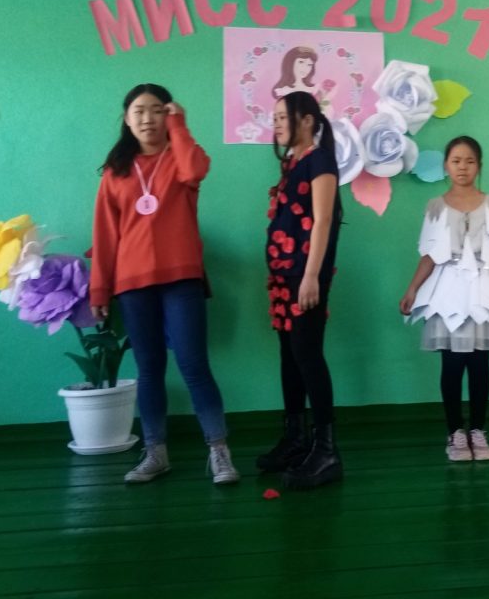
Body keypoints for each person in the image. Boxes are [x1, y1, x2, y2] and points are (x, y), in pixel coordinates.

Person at [90, 83, 240, 485]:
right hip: (132, 284)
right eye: (138, 111)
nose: (147, 118)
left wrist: (180, 125)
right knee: (149, 369)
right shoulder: (115, 171)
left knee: (194, 366)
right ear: (126, 119)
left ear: (168, 114)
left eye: (157, 110)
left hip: (181, 279)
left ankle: (219, 452)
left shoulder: (181, 157)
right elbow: (106, 235)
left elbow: (196, 170)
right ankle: (155, 452)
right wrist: (99, 289)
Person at [400, 136, 489, 462]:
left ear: (479, 166)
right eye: (456, 161)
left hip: (483, 292)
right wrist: (412, 289)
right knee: (452, 364)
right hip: (448, 292)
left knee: (480, 364)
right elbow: (429, 255)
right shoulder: (436, 206)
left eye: (470, 161)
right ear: (446, 165)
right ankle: (455, 432)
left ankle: (478, 430)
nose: (462, 167)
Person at [256, 91, 344, 489]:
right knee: (289, 356)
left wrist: (311, 276)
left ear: (307, 120)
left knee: (308, 356)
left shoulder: (320, 160)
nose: (276, 123)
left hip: (304, 276)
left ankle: (326, 451)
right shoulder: (292, 163)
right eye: (273, 117)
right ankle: (295, 439)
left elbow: (323, 220)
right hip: (283, 275)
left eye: (283, 116)